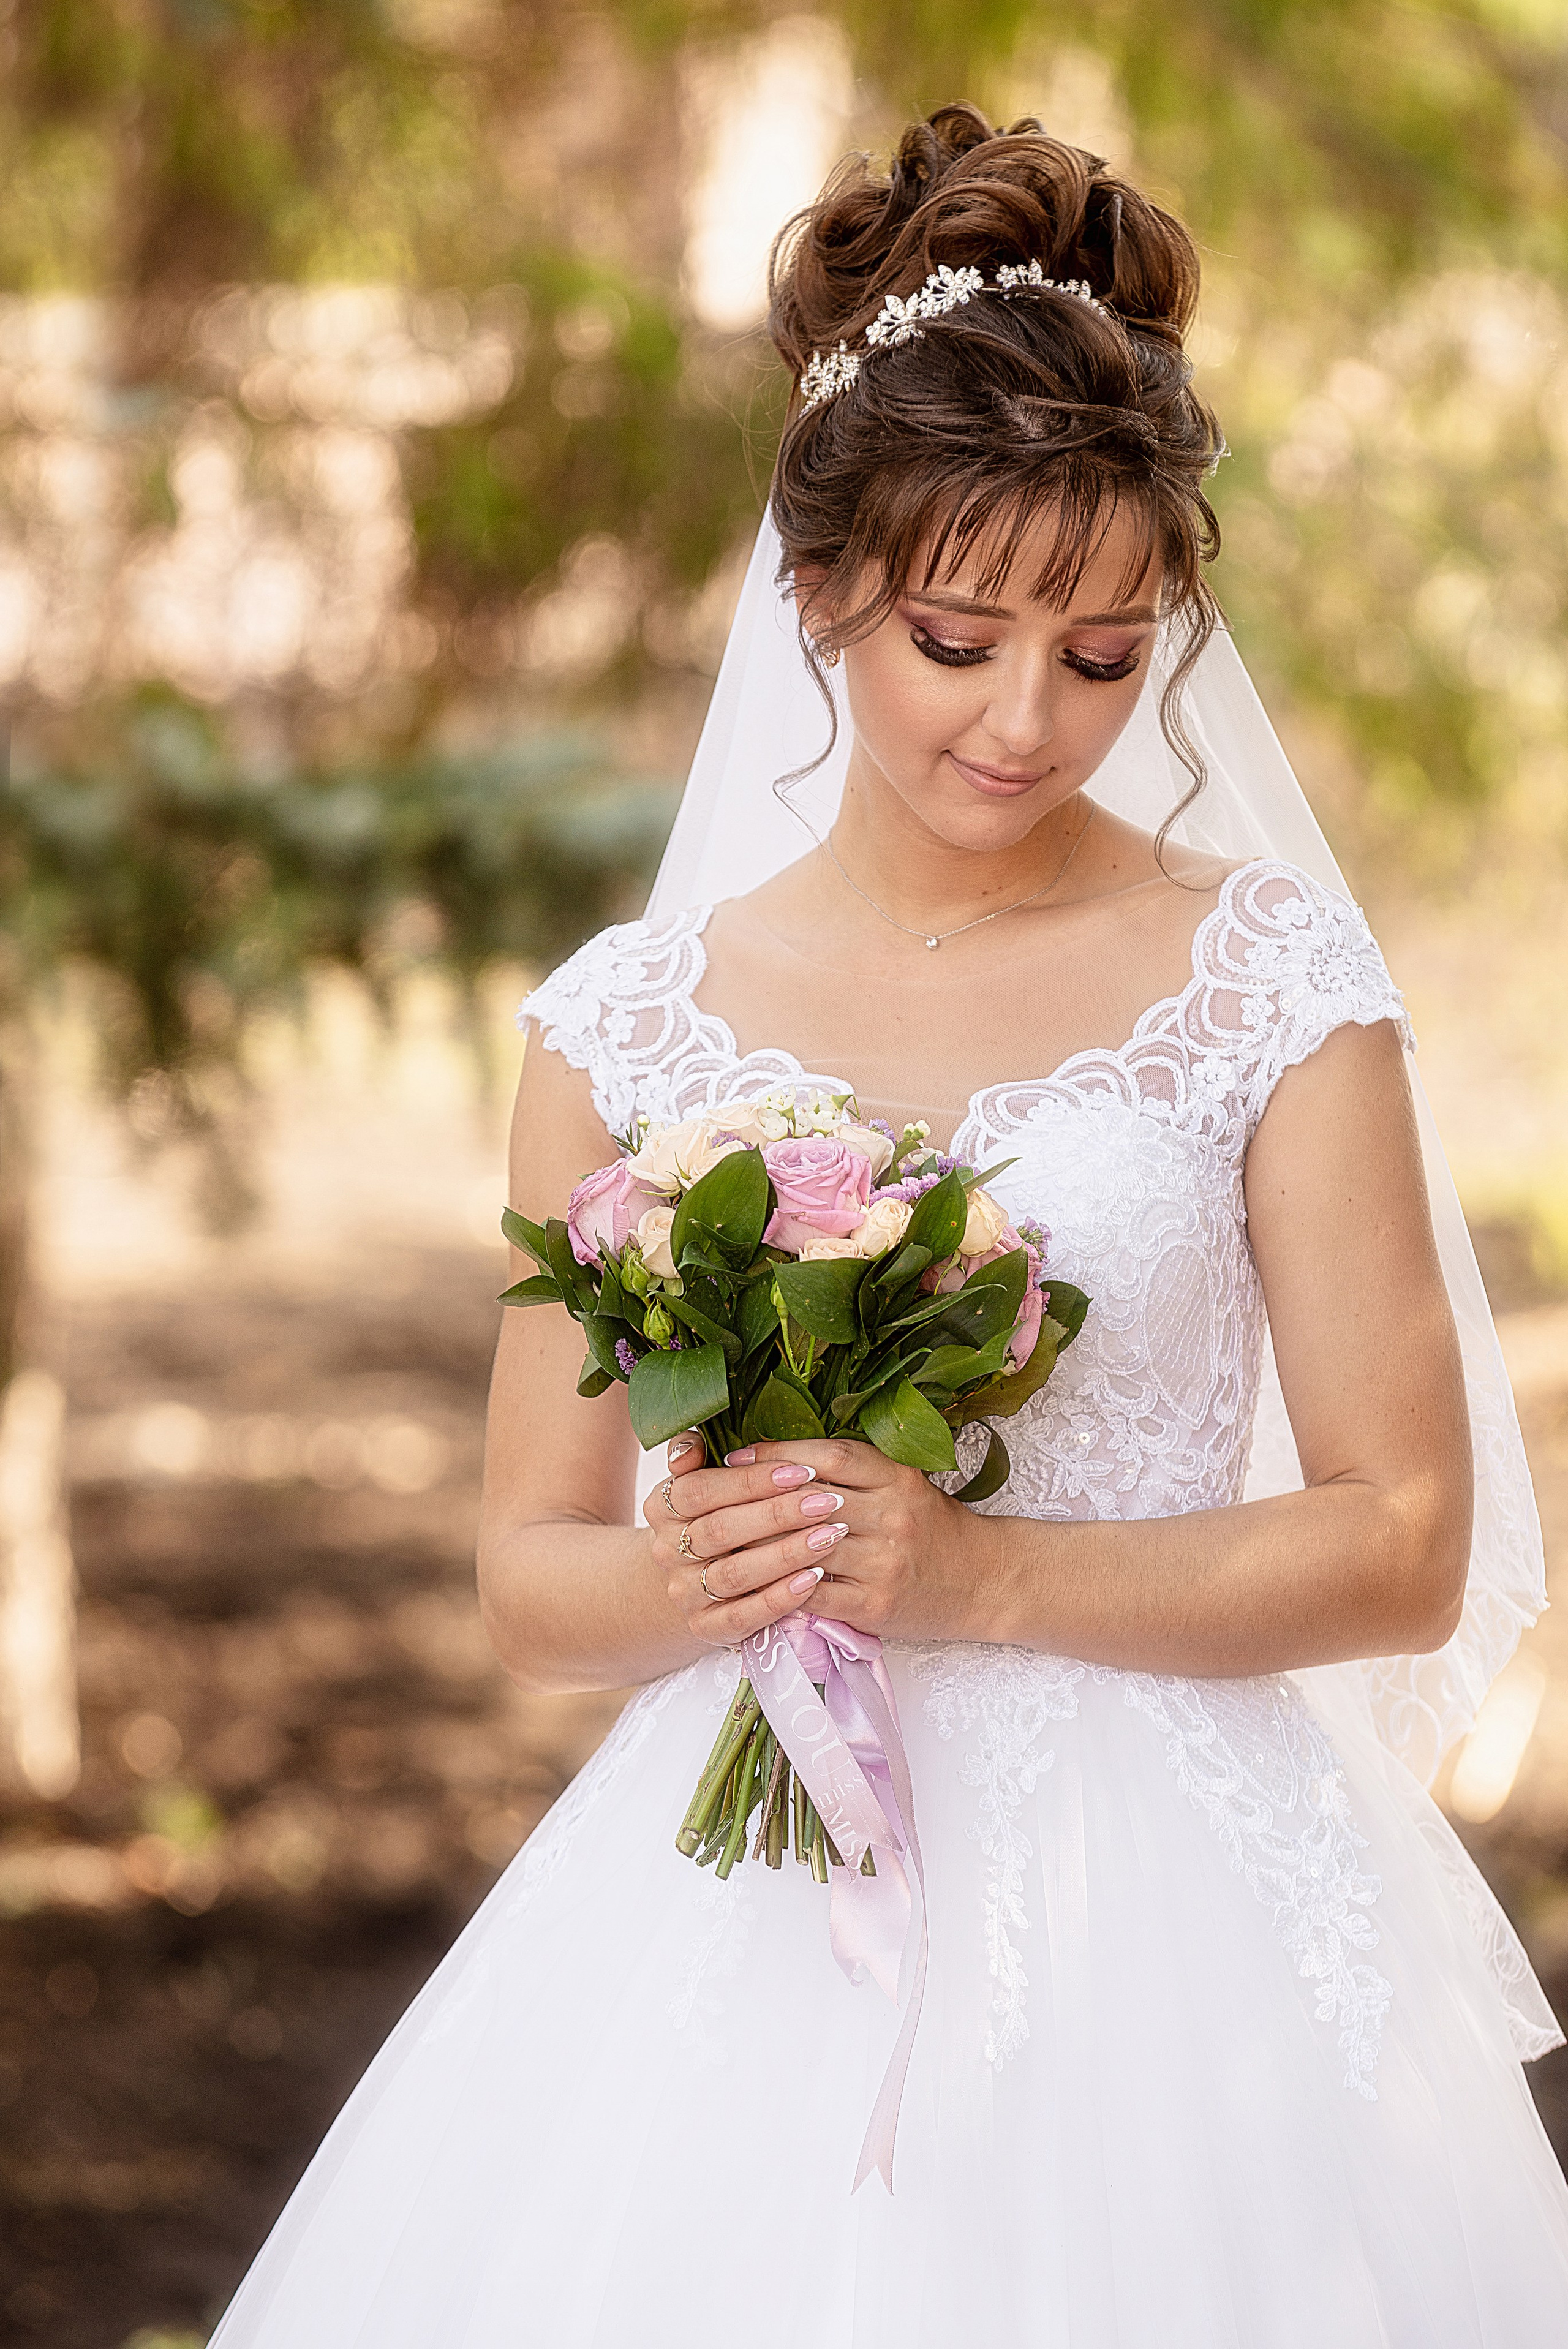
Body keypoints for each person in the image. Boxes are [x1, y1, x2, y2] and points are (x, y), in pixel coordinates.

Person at [211, 104, 1568, 2345]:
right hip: (748, 1905)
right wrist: (706, 1565)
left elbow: (1403, 1538)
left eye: (1107, 655)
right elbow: (531, 1576)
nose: (1030, 723)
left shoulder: (1270, 985)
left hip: (1186, 1932)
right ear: (824, 585)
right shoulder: (630, 1025)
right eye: (959, 638)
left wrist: (981, 1575)